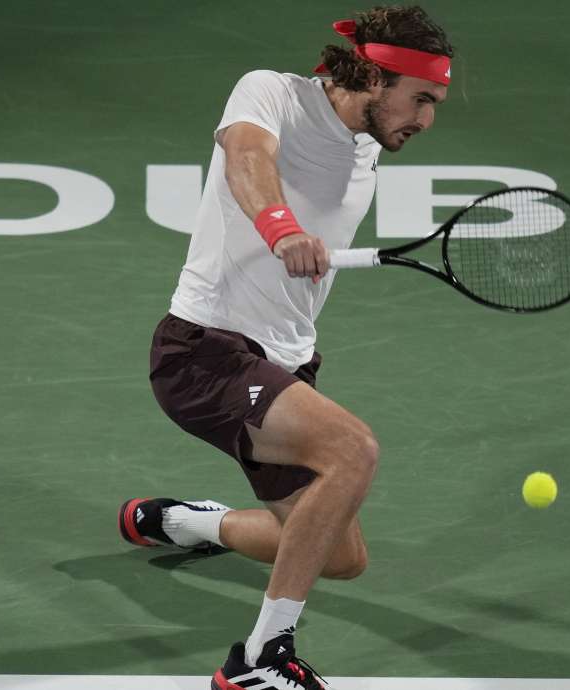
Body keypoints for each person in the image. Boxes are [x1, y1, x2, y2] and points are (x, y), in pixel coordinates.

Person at [118, 7, 453, 690]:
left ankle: (190, 524)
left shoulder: (366, 149)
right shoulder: (271, 94)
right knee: (352, 450)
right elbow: (247, 157)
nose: (425, 118)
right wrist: (280, 228)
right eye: (420, 98)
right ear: (378, 77)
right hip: (205, 351)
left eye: (435, 105)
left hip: (286, 362)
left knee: (340, 556)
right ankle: (261, 657)